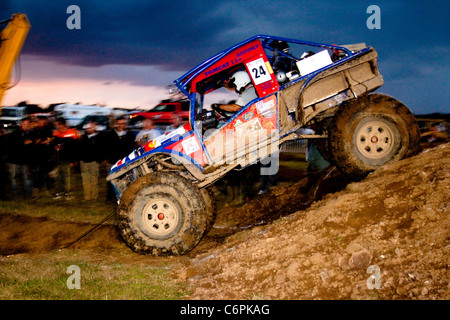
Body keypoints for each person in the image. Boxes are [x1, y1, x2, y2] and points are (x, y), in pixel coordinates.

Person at [104, 116, 135, 202]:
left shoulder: (130, 135)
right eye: (119, 124)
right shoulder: (110, 135)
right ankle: (111, 198)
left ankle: (125, 198)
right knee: (111, 180)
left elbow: (131, 148)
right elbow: (106, 148)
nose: (121, 125)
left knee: (126, 180)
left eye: (124, 123)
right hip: (113, 162)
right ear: (115, 124)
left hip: (125, 162)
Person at [5, 117, 34, 198]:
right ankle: (16, 195)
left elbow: (32, 146)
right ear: (20, 124)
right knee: (14, 178)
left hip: (25, 160)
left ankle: (28, 195)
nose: (26, 126)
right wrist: (23, 144)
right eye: (24, 124)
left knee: (26, 177)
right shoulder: (14, 134)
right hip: (13, 160)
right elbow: (11, 147)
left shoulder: (30, 134)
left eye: (28, 124)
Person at [52, 117, 81, 200]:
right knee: (58, 177)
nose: (56, 126)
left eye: (57, 125)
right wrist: (55, 147)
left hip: (67, 159)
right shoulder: (56, 133)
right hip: (58, 159)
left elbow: (75, 149)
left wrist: (73, 161)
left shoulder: (72, 133)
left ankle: (67, 193)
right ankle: (59, 192)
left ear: (62, 124)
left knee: (66, 177)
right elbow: (54, 143)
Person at [79, 121, 102, 201]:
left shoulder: (98, 138)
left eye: (90, 127)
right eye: (87, 128)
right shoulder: (83, 138)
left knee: (94, 180)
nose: (88, 129)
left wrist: (98, 161)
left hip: (93, 163)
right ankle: (87, 197)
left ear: (94, 128)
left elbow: (101, 150)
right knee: (85, 180)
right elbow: (79, 150)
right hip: (84, 162)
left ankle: (94, 197)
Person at [33, 115, 55, 196]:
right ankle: (38, 190)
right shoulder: (34, 131)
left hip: (48, 156)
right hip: (38, 156)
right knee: (41, 173)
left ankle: (48, 189)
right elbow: (34, 142)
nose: (41, 124)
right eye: (39, 122)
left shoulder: (48, 130)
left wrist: (48, 141)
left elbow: (51, 139)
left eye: (43, 122)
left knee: (46, 174)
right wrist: (39, 142)